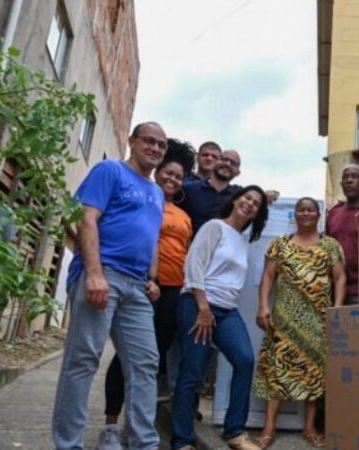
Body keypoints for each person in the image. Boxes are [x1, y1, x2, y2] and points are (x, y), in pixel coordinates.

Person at [52, 122, 167, 450]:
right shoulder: (110, 171)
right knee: (84, 359)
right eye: (149, 141)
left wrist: (151, 278)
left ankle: (144, 443)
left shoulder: (157, 192)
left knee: (145, 363)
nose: (155, 149)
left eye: (161, 145)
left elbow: (150, 238)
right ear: (131, 141)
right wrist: (94, 273)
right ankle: (68, 444)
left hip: (137, 286)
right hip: (104, 275)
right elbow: (86, 219)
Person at [97, 139, 196, 450]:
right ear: (158, 172)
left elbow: (186, 250)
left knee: (150, 361)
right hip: (142, 284)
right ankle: (111, 425)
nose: (172, 179)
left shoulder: (183, 215)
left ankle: (135, 428)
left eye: (179, 176)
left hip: (172, 291)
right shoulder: (144, 199)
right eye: (168, 172)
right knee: (124, 358)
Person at [171, 185, 269, 450]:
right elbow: (194, 267)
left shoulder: (242, 239)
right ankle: (181, 440)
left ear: (257, 213)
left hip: (227, 309)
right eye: (247, 197)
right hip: (198, 303)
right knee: (193, 372)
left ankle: (234, 433)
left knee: (245, 360)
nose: (249, 203)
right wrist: (203, 308)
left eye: (256, 203)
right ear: (236, 199)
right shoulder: (214, 227)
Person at [253, 197, 346, 449]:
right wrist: (263, 306)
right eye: (301, 210)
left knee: (315, 373)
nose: (305, 213)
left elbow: (339, 277)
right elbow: (268, 277)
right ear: (295, 214)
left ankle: (309, 427)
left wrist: (336, 308)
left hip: (317, 319)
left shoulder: (330, 245)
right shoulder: (280, 244)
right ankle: (268, 428)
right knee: (277, 371)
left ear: (318, 214)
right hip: (283, 318)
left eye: (310, 210)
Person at [325, 164, 359, 305]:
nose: (349, 180)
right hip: (335, 291)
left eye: (355, 176)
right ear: (341, 184)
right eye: (345, 178)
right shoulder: (333, 213)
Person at [179, 148, 242, 235]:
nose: (228, 164)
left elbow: (257, 197)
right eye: (224, 159)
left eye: (233, 163)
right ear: (215, 162)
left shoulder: (239, 197)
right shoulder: (189, 189)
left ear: (238, 172)